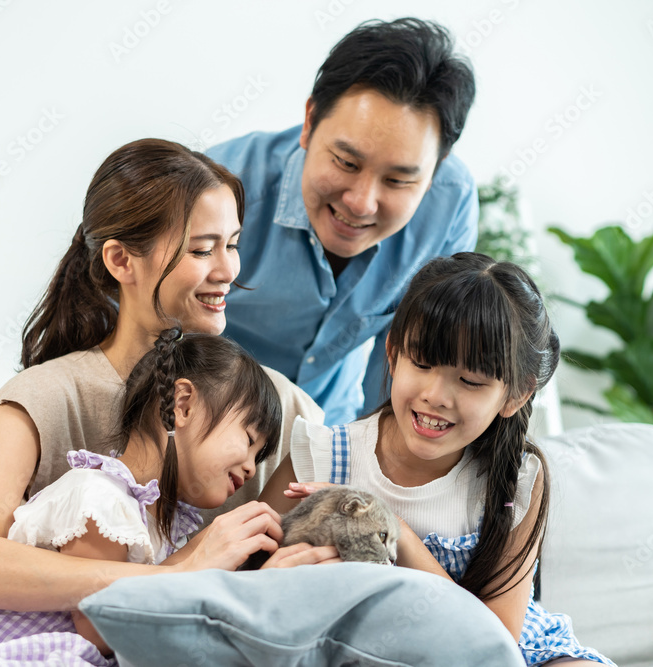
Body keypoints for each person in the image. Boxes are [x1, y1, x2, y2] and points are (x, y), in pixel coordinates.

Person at [0, 139, 329, 621]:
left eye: (233, 244)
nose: (229, 270)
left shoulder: (288, 409)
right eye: (203, 249)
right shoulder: (44, 399)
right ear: (121, 261)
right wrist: (178, 574)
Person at [0, 327, 334, 665]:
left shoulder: (162, 523)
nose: (253, 467)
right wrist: (199, 569)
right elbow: (102, 626)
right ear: (184, 404)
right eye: (249, 439)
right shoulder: (102, 497)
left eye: (261, 454)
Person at [261, 253, 615, 666]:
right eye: (422, 363)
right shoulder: (322, 457)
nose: (436, 395)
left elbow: (494, 647)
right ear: (392, 355)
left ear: (515, 395)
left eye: (470, 381)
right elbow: (239, 576)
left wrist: (398, 534)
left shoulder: (516, 479)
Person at [207, 17, 479, 425]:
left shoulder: (450, 204)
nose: (361, 203)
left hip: (330, 431)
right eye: (346, 162)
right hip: (205, 429)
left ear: (437, 167)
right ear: (310, 121)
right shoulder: (219, 189)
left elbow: (413, 362)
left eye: (398, 180)